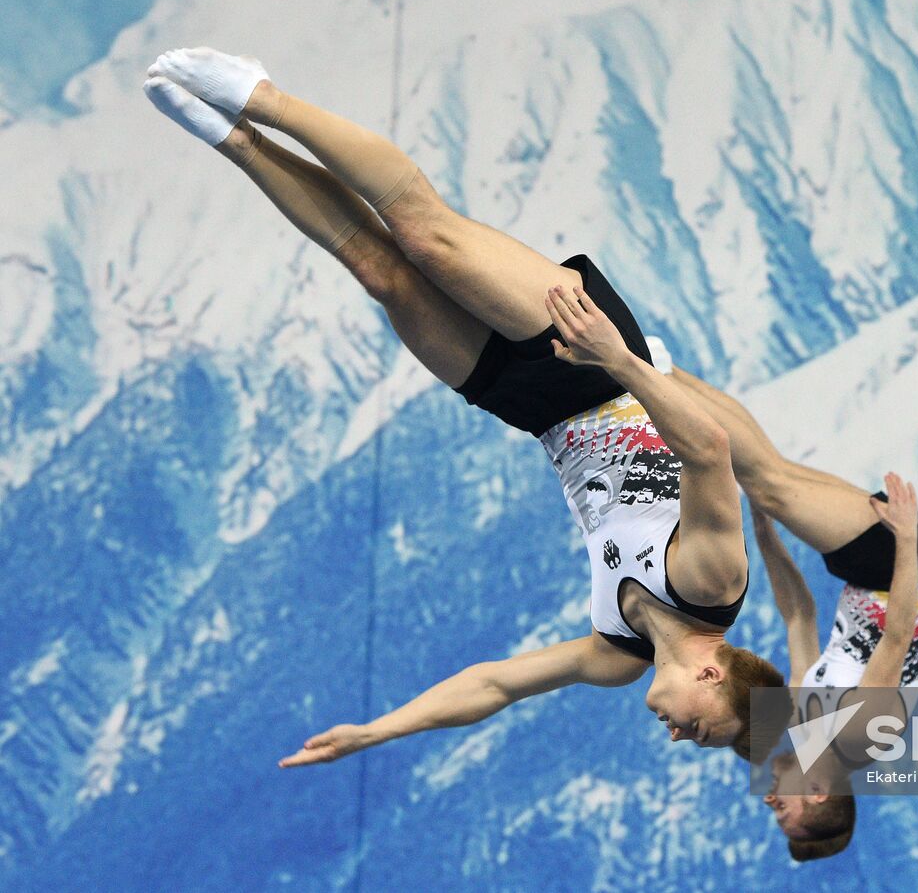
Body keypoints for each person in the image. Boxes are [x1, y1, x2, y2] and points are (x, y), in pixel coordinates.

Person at [141, 47, 783, 761]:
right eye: (702, 728)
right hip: (601, 369)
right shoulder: (711, 582)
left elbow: (495, 685)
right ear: (712, 673)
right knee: (427, 237)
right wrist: (620, 358)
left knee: (382, 273)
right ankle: (261, 96)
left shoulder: (616, 652)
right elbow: (708, 451)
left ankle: (234, 139)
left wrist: (379, 730)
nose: (680, 736)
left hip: (538, 413)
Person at [666, 370, 918, 860]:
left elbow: (797, 613)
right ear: (816, 793)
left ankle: (660, 370)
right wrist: (906, 537)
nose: (770, 798)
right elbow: (897, 637)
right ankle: (651, 372)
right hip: (895, 564)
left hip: (869, 569)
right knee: (769, 478)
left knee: (765, 473)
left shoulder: (811, 728)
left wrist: (765, 534)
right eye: (781, 810)